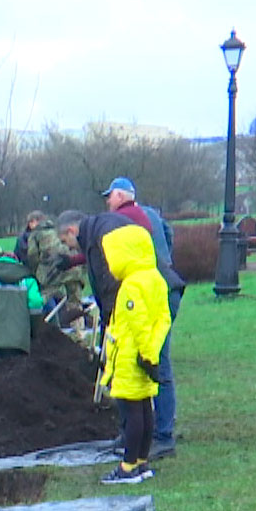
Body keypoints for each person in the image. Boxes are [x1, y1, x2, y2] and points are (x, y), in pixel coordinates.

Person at [103, 177, 185, 457]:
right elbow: (169, 233)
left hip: (150, 290)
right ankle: (144, 432)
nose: (107, 201)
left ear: (122, 196)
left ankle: (162, 436)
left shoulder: (126, 219)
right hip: (163, 283)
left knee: (156, 361)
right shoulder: (149, 213)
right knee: (152, 360)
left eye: (110, 196)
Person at [94, 222, 170, 483]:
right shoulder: (156, 279)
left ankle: (127, 467)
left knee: (131, 414)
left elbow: (137, 323)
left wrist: (146, 354)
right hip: (146, 358)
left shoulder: (131, 286)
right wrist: (154, 354)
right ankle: (141, 461)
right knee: (146, 410)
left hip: (130, 358)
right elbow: (163, 319)